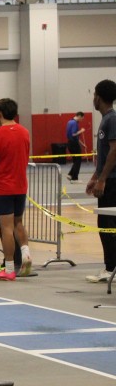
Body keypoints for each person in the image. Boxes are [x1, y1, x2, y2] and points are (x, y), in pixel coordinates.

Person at [0, 98, 32, 281]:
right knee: (18, 223)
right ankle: (26, 254)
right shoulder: (24, 132)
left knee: (6, 228)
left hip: (3, 187)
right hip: (20, 185)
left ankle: (10, 268)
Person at [86, 79, 116, 283]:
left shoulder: (111, 120)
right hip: (107, 179)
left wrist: (103, 179)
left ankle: (111, 268)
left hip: (112, 182)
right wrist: (95, 177)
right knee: (105, 223)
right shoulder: (106, 119)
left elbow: (114, 151)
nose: (93, 98)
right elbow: (105, 154)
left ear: (99, 97)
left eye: (94, 94)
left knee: (107, 224)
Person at [67, 111, 86, 182]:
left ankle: (70, 174)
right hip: (74, 144)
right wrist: (81, 131)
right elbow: (73, 134)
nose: (82, 120)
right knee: (78, 160)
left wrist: (82, 144)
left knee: (76, 161)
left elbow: (75, 137)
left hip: (70, 144)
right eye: (82, 118)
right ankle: (74, 178)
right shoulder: (75, 123)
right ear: (79, 116)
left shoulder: (69, 122)